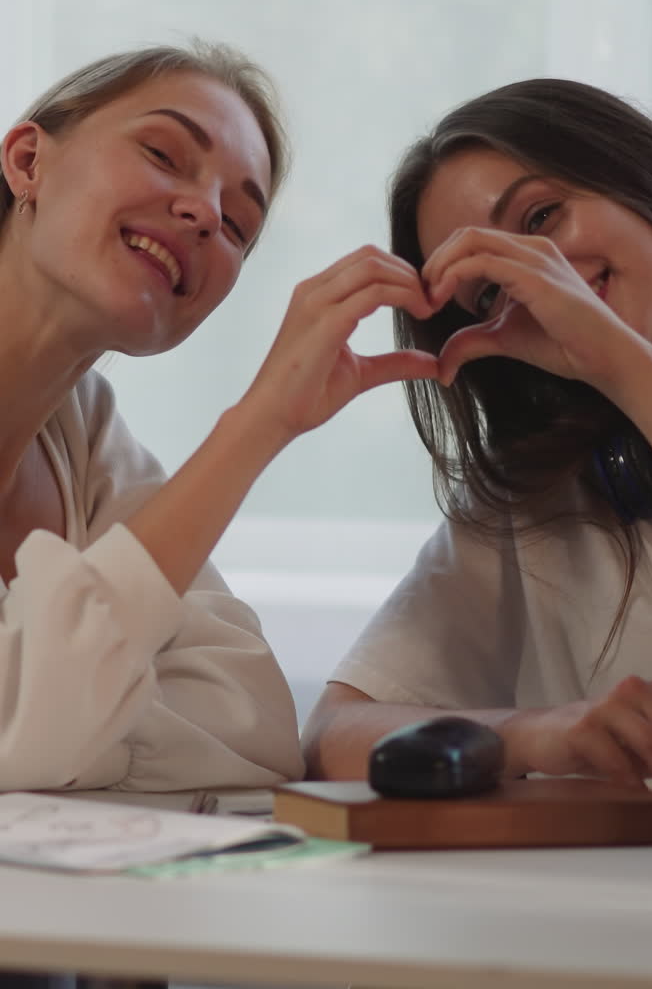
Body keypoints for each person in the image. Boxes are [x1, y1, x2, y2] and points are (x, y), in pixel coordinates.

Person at [0, 40, 438, 793]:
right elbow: (24, 742)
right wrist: (260, 422)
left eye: (238, 224)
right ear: (29, 161)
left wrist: (66, 718)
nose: (205, 213)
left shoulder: (89, 437)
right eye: (165, 155)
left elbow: (256, 735)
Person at [303, 76, 652, 827]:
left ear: (636, 173)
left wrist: (625, 363)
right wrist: (535, 735)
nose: (537, 279)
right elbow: (331, 734)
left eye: (542, 216)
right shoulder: (537, 494)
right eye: (490, 292)